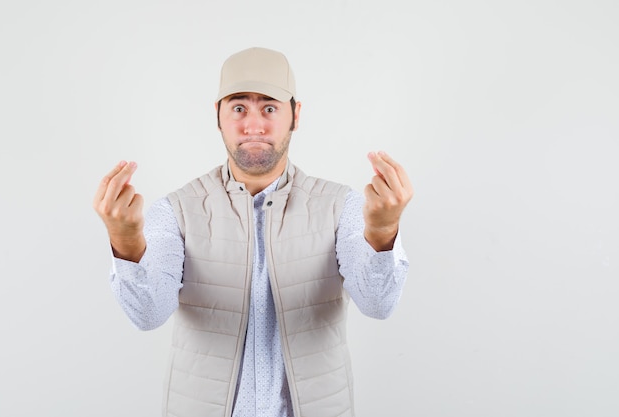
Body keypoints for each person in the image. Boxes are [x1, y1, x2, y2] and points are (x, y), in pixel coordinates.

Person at [93, 47, 414, 417]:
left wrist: (383, 230)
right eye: (239, 108)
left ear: (295, 115)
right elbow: (148, 314)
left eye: (270, 108)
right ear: (218, 117)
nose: (254, 126)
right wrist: (126, 241)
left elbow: (378, 305)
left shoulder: (342, 206)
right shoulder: (176, 209)